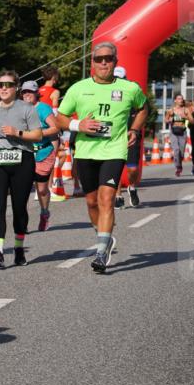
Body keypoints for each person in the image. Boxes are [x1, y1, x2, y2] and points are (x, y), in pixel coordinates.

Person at [55, 42, 147, 273]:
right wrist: (79, 125)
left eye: (108, 58)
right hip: (86, 152)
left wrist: (134, 130)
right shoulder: (78, 88)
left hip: (114, 151)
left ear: (115, 62)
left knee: (106, 199)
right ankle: (103, 235)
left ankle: (101, 251)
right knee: (91, 202)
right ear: (92, 63)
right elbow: (60, 118)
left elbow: (143, 108)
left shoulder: (129, 88)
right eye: (99, 59)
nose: (104, 63)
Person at [0, 71, 44, 267]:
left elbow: (38, 135)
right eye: (0, 85)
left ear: (16, 87)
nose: (4, 88)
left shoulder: (27, 108)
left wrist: (17, 132)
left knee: (19, 207)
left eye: (8, 85)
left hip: (22, 159)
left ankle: (18, 248)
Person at [19, 80, 59, 231]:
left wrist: (38, 133)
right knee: (23, 189)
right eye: (24, 92)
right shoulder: (18, 109)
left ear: (37, 93)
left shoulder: (43, 108)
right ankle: (22, 222)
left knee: (41, 189)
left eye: (30, 92)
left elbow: (55, 128)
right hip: (25, 153)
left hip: (43, 152)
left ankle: (44, 213)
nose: (27, 94)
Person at [112, 66, 144, 209]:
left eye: (120, 79)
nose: (118, 81)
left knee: (132, 169)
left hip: (131, 135)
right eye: (115, 78)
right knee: (115, 167)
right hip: (114, 136)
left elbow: (144, 111)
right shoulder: (108, 92)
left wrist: (135, 130)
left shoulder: (133, 91)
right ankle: (118, 195)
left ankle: (132, 187)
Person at [165, 93, 190, 176]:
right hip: (173, 132)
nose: (181, 100)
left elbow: (190, 120)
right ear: (175, 100)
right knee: (176, 150)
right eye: (179, 98)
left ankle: (180, 164)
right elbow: (166, 120)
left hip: (183, 132)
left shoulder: (185, 110)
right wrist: (170, 120)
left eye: (181, 98)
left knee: (181, 153)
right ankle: (178, 167)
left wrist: (185, 120)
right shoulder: (171, 110)